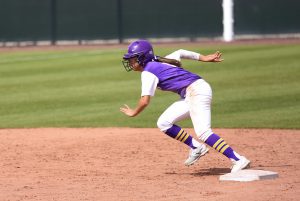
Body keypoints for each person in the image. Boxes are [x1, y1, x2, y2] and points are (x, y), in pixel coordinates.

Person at [120, 39, 250, 173]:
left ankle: (238, 159)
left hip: (196, 92)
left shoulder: (148, 72)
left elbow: (144, 100)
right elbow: (181, 52)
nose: (130, 62)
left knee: (203, 132)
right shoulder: (161, 61)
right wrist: (204, 58)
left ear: (142, 58)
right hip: (192, 93)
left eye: (132, 58)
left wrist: (133, 112)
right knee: (164, 123)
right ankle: (196, 147)